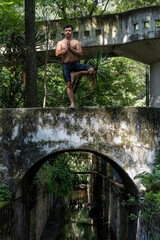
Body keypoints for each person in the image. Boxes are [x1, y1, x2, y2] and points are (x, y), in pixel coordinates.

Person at [55, 24, 94, 108]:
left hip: (75, 63)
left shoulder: (76, 42)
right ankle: (72, 103)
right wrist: (65, 50)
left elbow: (80, 53)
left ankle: (75, 74)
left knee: (91, 70)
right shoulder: (60, 42)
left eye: (69, 30)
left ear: (72, 32)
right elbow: (57, 54)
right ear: (64, 32)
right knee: (69, 84)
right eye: (66, 30)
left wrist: (71, 49)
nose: (68, 32)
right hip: (66, 65)